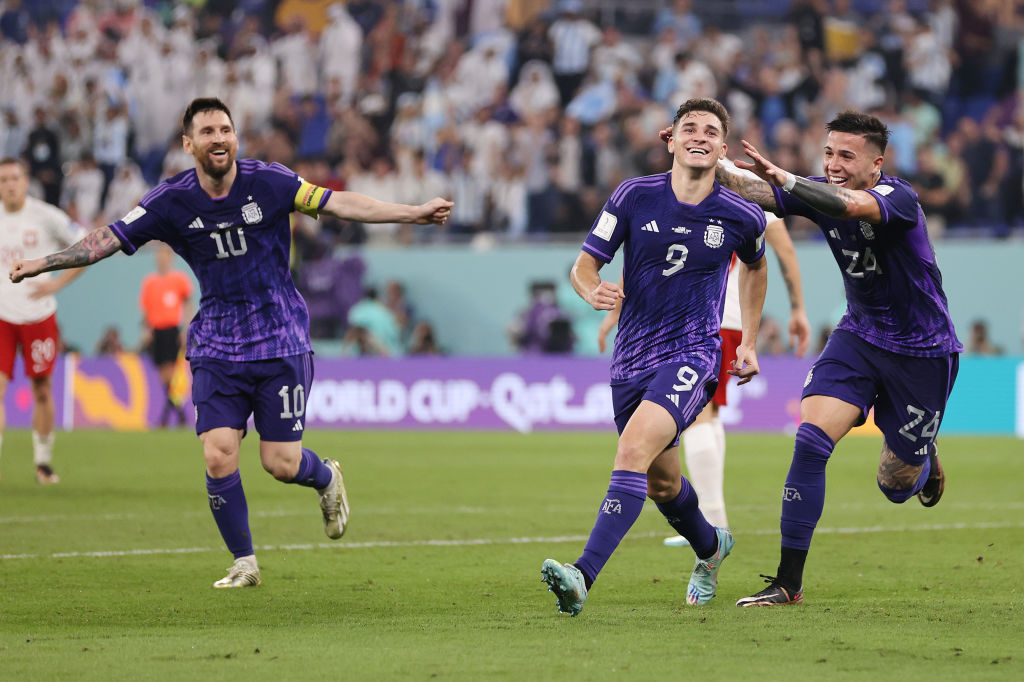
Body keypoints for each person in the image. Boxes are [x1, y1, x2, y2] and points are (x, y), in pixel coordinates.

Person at [9, 98, 453, 588]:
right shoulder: (169, 201)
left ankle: (325, 478)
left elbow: (337, 201)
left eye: (225, 129)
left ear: (234, 136)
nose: (218, 138)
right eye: (207, 131)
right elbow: (107, 238)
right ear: (188, 144)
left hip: (280, 336)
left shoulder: (271, 182)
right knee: (218, 453)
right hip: (217, 342)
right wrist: (45, 262)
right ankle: (244, 562)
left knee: (280, 463)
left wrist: (410, 213)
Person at [713, 111, 961, 606]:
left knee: (894, 484)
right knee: (810, 440)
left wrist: (786, 178)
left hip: (923, 353)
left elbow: (846, 205)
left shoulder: (899, 198)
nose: (834, 163)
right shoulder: (818, 189)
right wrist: (708, 160)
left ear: (877, 163)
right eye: (828, 153)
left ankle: (923, 459)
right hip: (860, 337)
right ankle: (788, 583)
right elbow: (757, 192)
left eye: (846, 155)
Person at [540, 98, 768, 616]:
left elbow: (757, 267)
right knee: (661, 483)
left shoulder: (740, 214)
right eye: (690, 127)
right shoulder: (633, 196)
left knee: (630, 455)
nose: (700, 136)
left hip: (693, 353)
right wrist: (590, 289)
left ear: (722, 149)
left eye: (711, 131)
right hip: (631, 359)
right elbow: (582, 267)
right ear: (670, 139)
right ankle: (711, 549)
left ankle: (582, 574)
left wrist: (748, 340)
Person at [597, 202, 811, 547]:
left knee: (699, 419)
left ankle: (712, 519)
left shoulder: (737, 191)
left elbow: (781, 247)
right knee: (709, 417)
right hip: (711, 320)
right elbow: (645, 254)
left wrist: (798, 308)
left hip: (709, 319)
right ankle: (714, 516)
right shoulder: (690, 187)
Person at [0, 157, 84, 484]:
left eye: (14, 178)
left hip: (38, 316)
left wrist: (56, 283)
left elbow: (86, 245)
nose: (9, 184)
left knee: (43, 392)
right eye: (3, 179)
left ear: (26, 181)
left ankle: (43, 462)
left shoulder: (46, 216)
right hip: (2, 317)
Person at [139, 243, 193, 427]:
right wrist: (146, 331)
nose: (161, 259)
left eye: (165, 255)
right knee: (163, 375)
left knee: (171, 373)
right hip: (157, 332)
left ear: (171, 258)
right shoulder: (150, 282)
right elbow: (146, 311)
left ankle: (166, 417)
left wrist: (186, 329)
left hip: (172, 330)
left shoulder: (179, 280)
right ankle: (178, 415)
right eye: (159, 256)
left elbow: (188, 305)